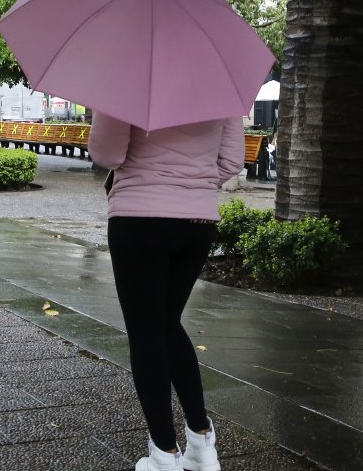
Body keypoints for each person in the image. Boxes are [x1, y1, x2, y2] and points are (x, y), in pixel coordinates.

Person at [89, 111, 243, 471]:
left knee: (146, 334)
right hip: (197, 222)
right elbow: (232, 160)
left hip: (139, 219)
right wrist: (191, 185)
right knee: (166, 325)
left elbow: (107, 154)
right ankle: (202, 443)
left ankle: (164, 455)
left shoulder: (129, 75)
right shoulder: (222, 82)